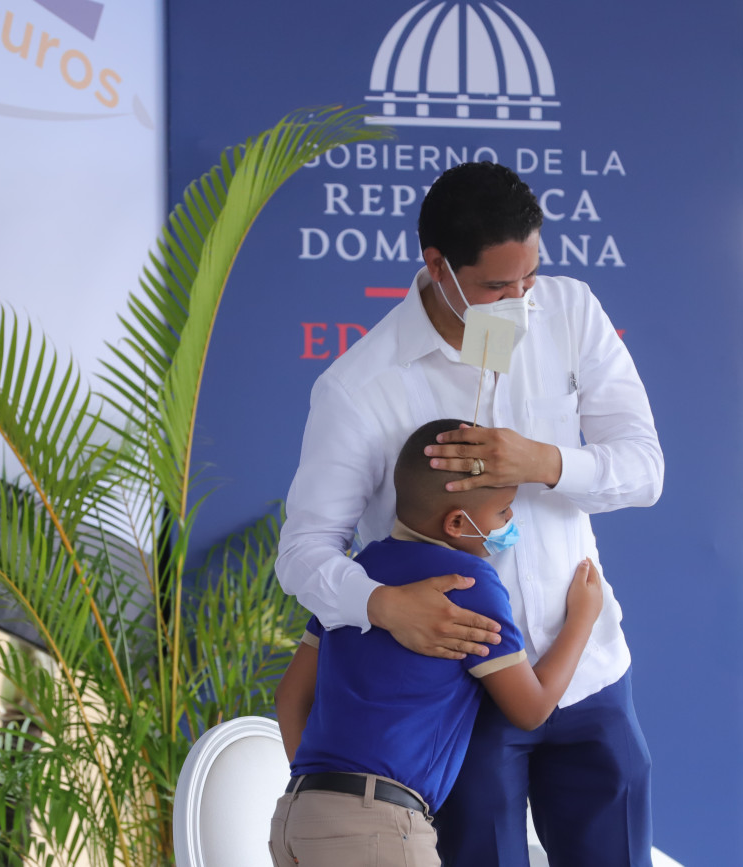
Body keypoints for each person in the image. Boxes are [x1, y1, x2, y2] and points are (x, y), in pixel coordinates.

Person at [276, 161, 663, 865]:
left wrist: (545, 462)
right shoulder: (359, 387)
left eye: (529, 278)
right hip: (462, 703)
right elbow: (304, 551)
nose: (519, 301)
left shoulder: (570, 312)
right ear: (438, 266)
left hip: (592, 672)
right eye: (495, 287)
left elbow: (645, 470)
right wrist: (383, 604)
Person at [270, 418, 603, 867]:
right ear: (457, 522)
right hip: (378, 828)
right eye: (503, 511)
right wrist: (582, 618)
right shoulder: (469, 583)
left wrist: (325, 794)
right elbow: (531, 708)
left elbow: (289, 695)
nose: (510, 521)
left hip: (296, 815)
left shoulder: (357, 573)